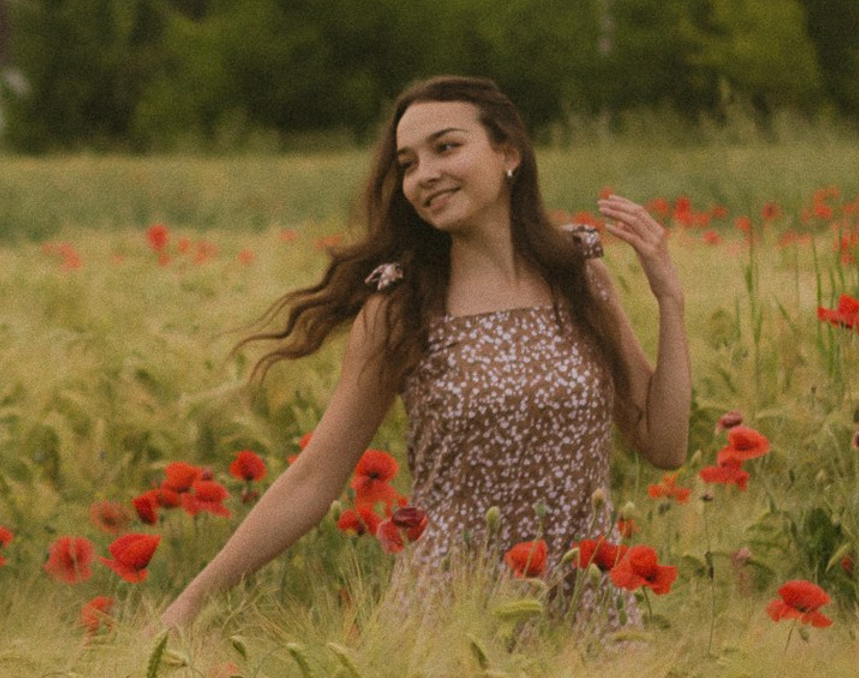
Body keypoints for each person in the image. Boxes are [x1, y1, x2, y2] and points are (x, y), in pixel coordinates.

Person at [158, 75, 691, 630]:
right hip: (454, 622)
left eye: (446, 147)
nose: (424, 175)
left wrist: (669, 300)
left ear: (508, 152)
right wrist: (191, 602)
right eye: (408, 163)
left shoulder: (578, 275)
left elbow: (665, 442)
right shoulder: (401, 307)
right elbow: (316, 478)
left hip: (588, 613)